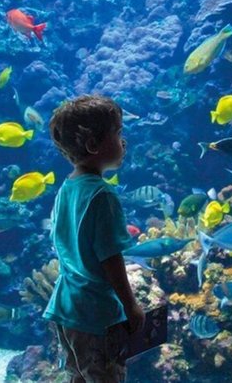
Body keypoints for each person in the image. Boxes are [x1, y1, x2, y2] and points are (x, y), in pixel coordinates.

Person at [44, 95, 145, 383]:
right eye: (118, 133)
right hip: (97, 314)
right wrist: (131, 305)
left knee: (78, 376)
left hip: (66, 308)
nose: (123, 142)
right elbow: (110, 258)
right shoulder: (103, 194)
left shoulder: (67, 188)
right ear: (93, 145)